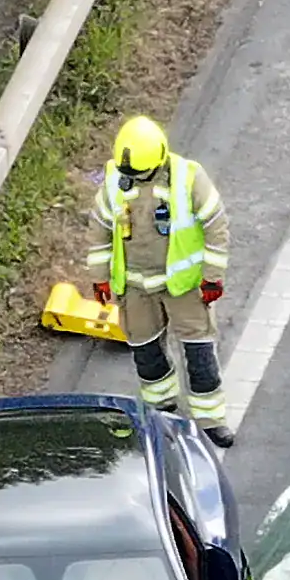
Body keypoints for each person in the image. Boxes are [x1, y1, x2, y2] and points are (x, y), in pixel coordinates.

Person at [98, 115, 236, 444]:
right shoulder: (115, 181)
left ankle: (210, 419)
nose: (133, 179)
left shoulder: (188, 178)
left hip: (184, 286)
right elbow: (100, 232)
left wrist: (212, 277)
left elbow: (216, 226)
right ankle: (161, 411)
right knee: (146, 353)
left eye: (140, 173)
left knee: (199, 353)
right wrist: (100, 278)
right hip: (136, 286)